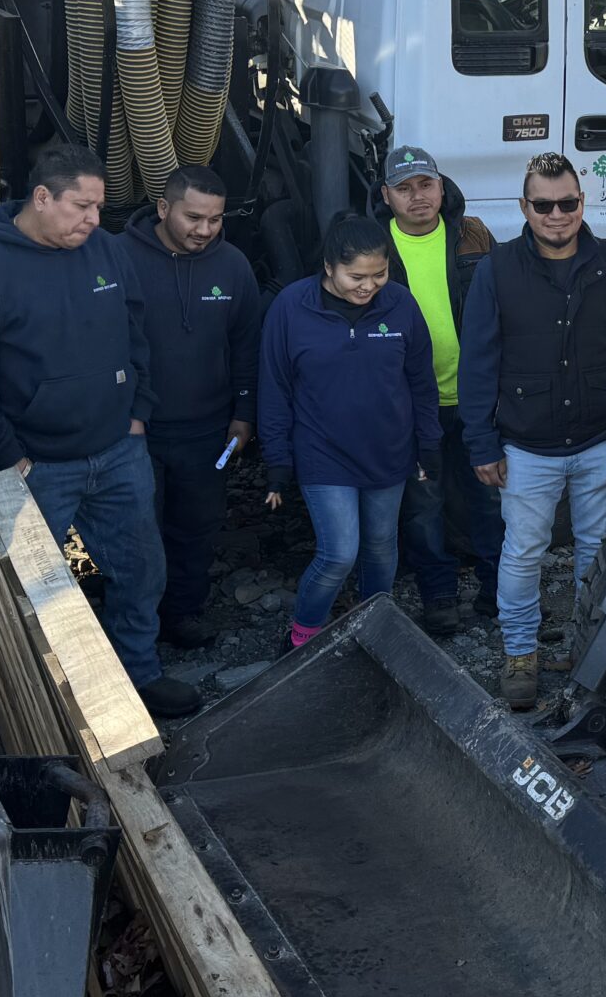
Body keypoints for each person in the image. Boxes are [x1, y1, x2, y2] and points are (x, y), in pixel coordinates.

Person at [0, 143, 195, 718]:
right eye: (82, 206)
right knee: (33, 588)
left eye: (100, 208)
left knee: (140, 568)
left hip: (118, 449)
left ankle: (139, 675)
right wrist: (8, 455)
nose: (94, 220)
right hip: (36, 466)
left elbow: (136, 331)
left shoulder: (105, 251)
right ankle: (53, 702)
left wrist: (137, 412)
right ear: (43, 197)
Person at [458, 152, 606, 711]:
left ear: (581, 202)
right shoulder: (497, 271)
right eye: (542, 205)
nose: (556, 215)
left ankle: (590, 649)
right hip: (525, 447)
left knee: (596, 554)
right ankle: (520, 655)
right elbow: (478, 362)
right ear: (524, 207)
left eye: (566, 202)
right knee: (522, 553)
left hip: (602, 443)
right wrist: (481, 441)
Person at [258, 214, 440, 651]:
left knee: (380, 546)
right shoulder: (291, 307)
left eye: (379, 274)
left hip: (389, 450)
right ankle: (303, 636)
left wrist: (429, 444)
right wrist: (277, 460)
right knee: (339, 552)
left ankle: (375, 628)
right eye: (356, 276)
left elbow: (420, 380)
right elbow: (274, 386)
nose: (368, 285)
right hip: (323, 452)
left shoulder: (400, 303)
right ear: (328, 267)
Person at [121, 166, 262, 647]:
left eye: (216, 220)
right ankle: (137, 625)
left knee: (198, 524)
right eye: (194, 217)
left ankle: (183, 612)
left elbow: (246, 345)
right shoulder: (119, 259)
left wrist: (244, 414)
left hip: (212, 436)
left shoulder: (234, 267)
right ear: (164, 208)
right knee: (140, 528)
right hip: (138, 432)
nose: (205, 230)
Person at [367, 144, 501, 634]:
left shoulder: (472, 234)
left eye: (425, 184)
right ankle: (439, 596)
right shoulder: (374, 245)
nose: (417, 196)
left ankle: (497, 593)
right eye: (404, 188)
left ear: (441, 187)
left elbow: (503, 305)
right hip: (411, 406)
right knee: (423, 506)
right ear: (387, 195)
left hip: (475, 399)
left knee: (489, 499)